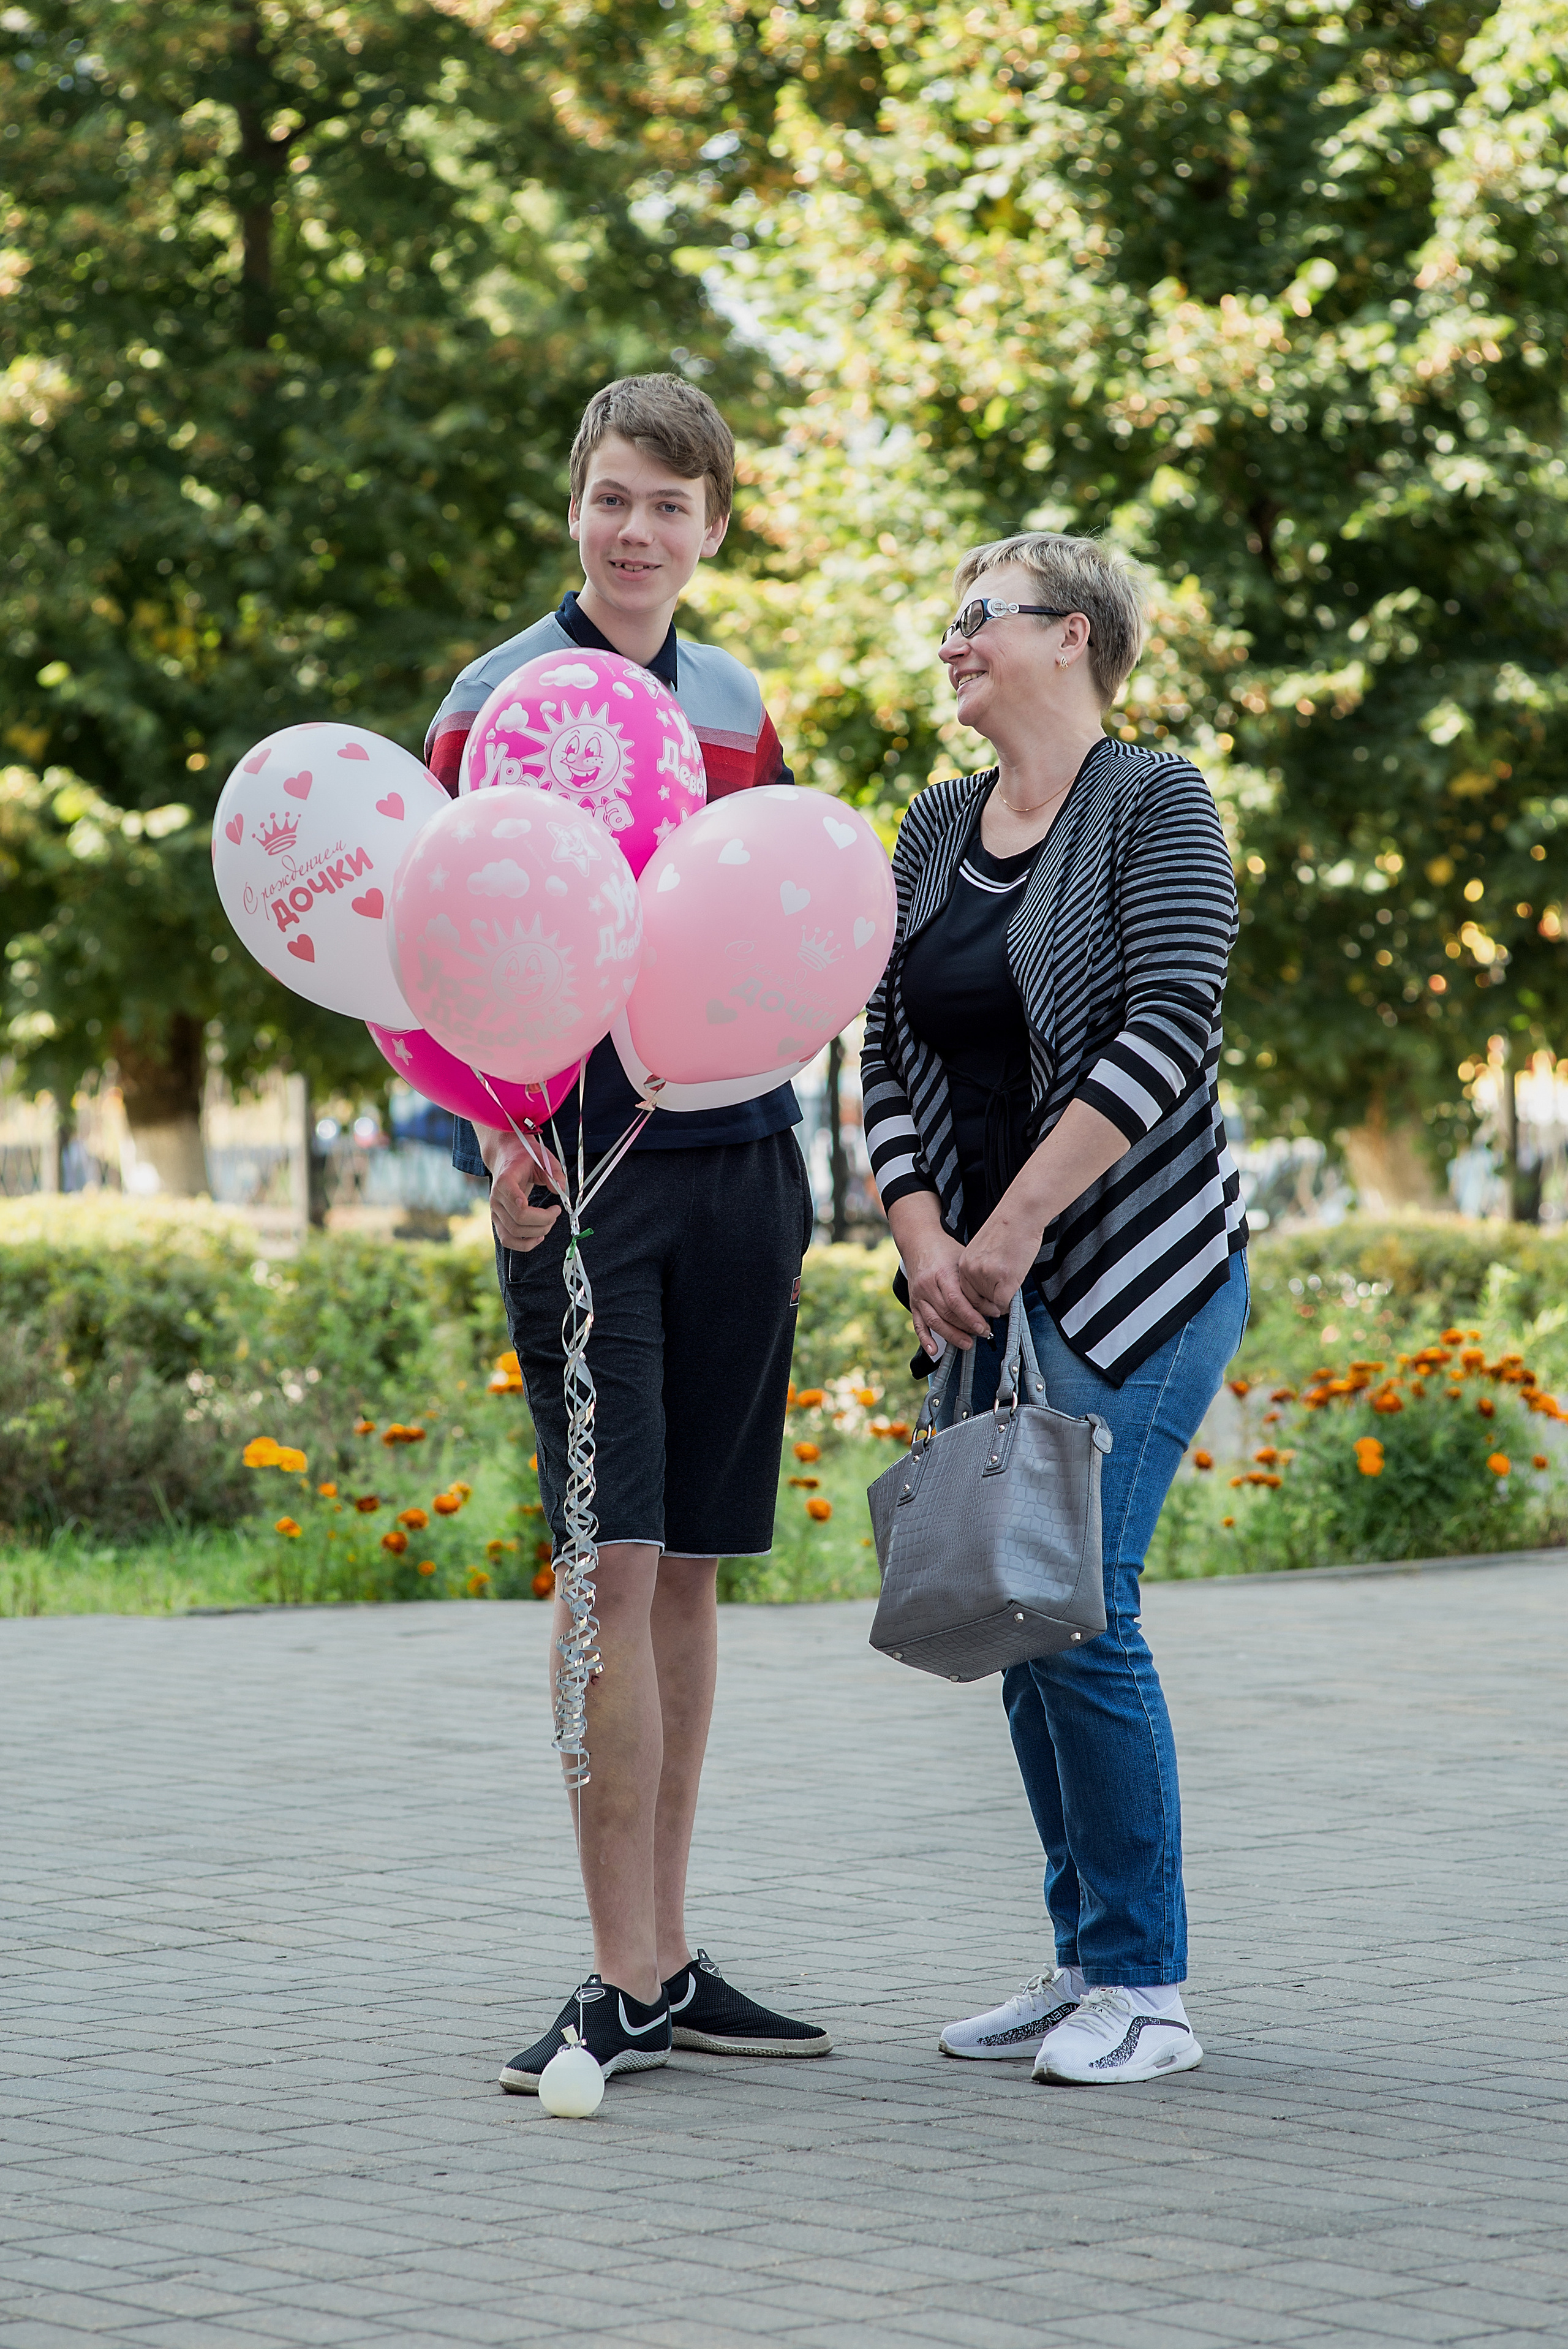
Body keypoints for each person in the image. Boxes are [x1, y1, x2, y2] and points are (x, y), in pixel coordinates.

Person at [425, 374, 831, 2089]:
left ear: (713, 525)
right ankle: (611, 1972)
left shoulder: (738, 706)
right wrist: (492, 1137)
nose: (636, 531)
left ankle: (666, 1956)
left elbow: (786, 917)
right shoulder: (491, 700)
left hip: (744, 1162)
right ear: (574, 507)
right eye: (612, 497)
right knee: (609, 1564)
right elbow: (424, 944)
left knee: (692, 1573)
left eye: (670, 503)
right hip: (579, 1181)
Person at [860, 533, 1248, 2086]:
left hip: (1137, 1269)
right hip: (979, 1288)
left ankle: (1146, 1990)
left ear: (1072, 633)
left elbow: (1166, 1027)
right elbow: (880, 1048)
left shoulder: (1158, 802)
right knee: (1022, 1612)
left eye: (978, 616)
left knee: (1082, 1602)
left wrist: (1010, 1229)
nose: (950, 642)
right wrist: (922, 1238)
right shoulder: (933, 824)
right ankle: (1085, 1960)